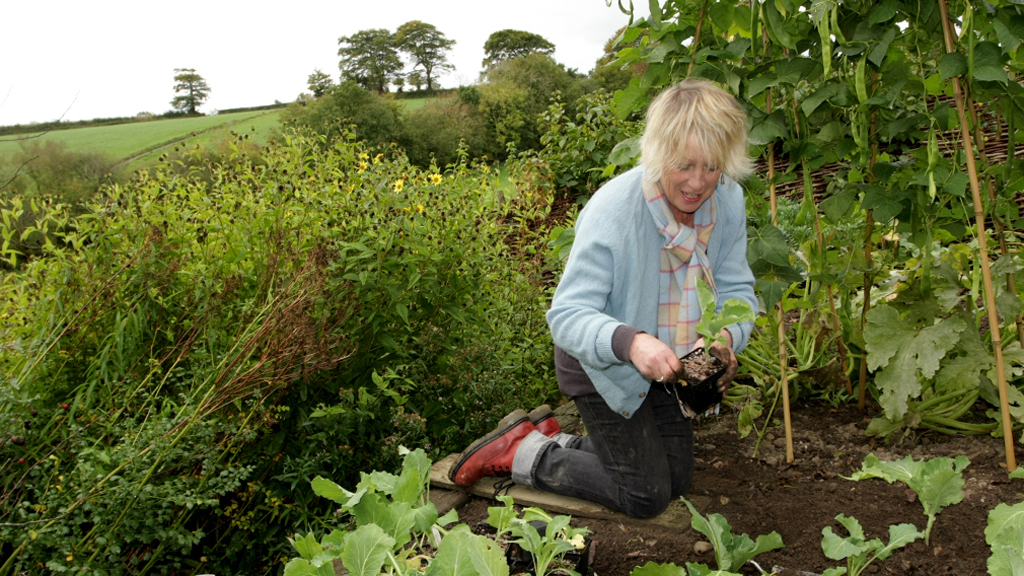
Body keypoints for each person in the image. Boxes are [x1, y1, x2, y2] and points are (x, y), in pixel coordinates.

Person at [448, 78, 758, 518]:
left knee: (677, 479)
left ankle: (561, 440)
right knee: (646, 495)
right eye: (684, 165)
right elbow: (567, 315)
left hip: (667, 364)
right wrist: (632, 343)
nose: (698, 182)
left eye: (712, 167)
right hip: (602, 365)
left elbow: (738, 290)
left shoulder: (727, 202)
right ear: (659, 153)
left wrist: (728, 336)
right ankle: (523, 452)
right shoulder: (615, 209)